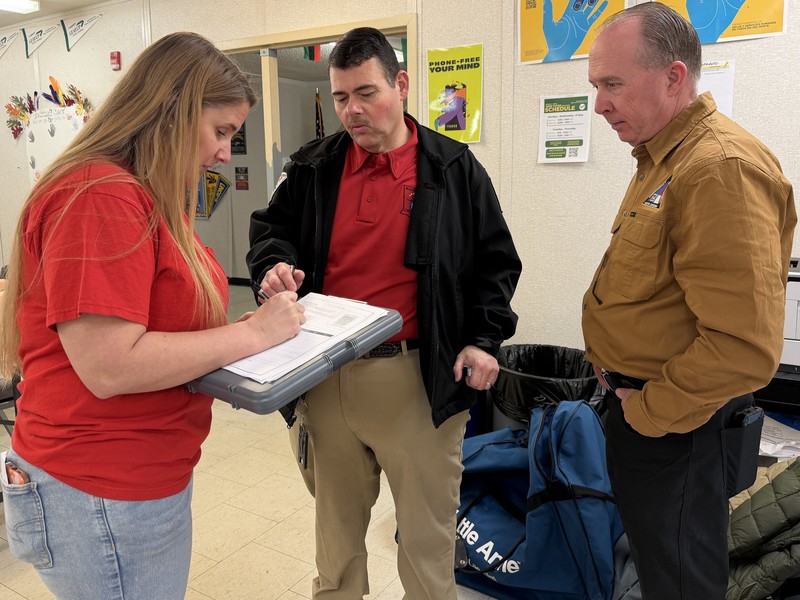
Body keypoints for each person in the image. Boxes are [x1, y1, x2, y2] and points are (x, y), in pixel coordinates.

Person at [0, 32, 306, 600]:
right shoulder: (101, 195)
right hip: (99, 486)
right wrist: (251, 334)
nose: (223, 152)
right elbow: (109, 366)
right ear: (173, 111)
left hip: (137, 478)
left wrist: (254, 316)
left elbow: (166, 318)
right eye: (221, 132)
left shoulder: (146, 194)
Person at [247, 27, 521, 600]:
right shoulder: (313, 169)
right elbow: (271, 231)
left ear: (400, 85)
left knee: (426, 546)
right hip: (325, 375)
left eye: (366, 93)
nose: (352, 111)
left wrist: (483, 339)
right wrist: (274, 263)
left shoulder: (452, 169)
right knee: (336, 541)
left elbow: (496, 262)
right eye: (341, 97)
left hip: (418, 380)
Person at [583, 3, 796, 599]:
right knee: (660, 568)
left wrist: (648, 414)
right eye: (596, 86)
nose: (599, 103)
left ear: (673, 77)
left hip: (677, 427)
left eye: (612, 84)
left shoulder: (718, 168)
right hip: (649, 415)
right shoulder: (663, 157)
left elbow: (744, 348)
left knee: (681, 581)